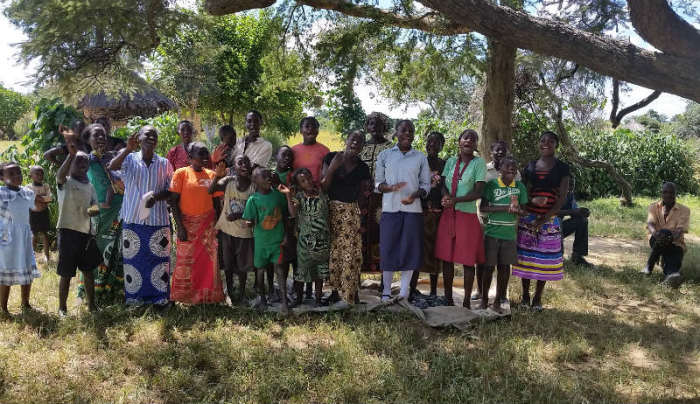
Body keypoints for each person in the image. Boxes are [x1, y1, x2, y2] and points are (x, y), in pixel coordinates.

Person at [108, 126, 173, 306]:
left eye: (154, 135)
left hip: (158, 221)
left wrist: (156, 196)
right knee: (134, 263)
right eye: (147, 134)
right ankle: (135, 299)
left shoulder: (164, 163)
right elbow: (112, 167)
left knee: (158, 263)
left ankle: (159, 299)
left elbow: (172, 190)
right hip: (133, 220)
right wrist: (128, 148)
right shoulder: (129, 159)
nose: (151, 137)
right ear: (139, 138)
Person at [512, 131, 570, 312]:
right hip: (528, 219)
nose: (546, 144)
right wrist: (530, 206)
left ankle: (537, 298)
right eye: (543, 140)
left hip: (549, 220)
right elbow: (523, 193)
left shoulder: (562, 168)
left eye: (551, 141)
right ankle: (525, 296)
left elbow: (561, 197)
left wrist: (544, 218)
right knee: (527, 259)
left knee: (543, 261)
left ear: (556, 145)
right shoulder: (530, 166)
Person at [375, 120, 431, 301]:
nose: (408, 133)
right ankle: (386, 291)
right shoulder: (385, 155)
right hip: (390, 209)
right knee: (388, 248)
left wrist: (416, 194)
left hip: (413, 211)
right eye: (404, 130)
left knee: (410, 249)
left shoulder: (420, 157)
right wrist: (389, 188)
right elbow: (377, 183)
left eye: (411, 130)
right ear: (396, 133)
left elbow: (426, 185)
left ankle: (404, 292)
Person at [435, 129, 487, 308]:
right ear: (459, 141)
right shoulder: (450, 161)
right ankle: (448, 298)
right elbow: (443, 184)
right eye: (466, 137)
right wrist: (445, 196)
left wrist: (455, 200)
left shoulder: (478, 163)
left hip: (467, 216)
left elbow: (478, 192)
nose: (469, 141)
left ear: (475, 145)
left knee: (467, 260)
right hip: (449, 215)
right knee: (447, 258)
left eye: (473, 139)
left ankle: (465, 301)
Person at [169, 142, 225, 304]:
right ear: (190, 157)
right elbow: (173, 202)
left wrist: (218, 225)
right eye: (200, 154)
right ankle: (185, 297)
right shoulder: (181, 174)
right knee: (185, 262)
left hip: (207, 227)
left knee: (208, 264)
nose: (204, 158)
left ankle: (208, 297)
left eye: (206, 154)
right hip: (187, 226)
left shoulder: (212, 174)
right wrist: (179, 227)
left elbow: (216, 203)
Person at [322, 130, 371, 304]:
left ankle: (351, 293)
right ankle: (335, 292)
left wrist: (360, 217)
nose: (355, 143)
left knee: (351, 252)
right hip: (332, 210)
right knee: (334, 252)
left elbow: (364, 194)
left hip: (352, 212)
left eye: (360, 141)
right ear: (346, 140)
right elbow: (324, 187)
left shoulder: (363, 167)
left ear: (363, 146)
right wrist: (333, 168)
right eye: (353, 139)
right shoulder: (331, 158)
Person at [77, 124, 125, 302]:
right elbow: (81, 188)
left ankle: (114, 289)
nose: (100, 138)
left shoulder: (113, 158)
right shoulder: (85, 161)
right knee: (97, 250)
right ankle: (93, 291)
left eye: (103, 135)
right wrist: (90, 211)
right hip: (99, 213)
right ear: (88, 140)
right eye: (96, 135)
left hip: (119, 210)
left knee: (117, 249)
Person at [473, 140, 522, 301]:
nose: (500, 153)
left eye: (503, 151)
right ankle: (480, 291)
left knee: (503, 262)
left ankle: (501, 295)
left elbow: (517, 195)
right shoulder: (483, 169)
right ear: (491, 151)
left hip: (505, 223)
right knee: (482, 260)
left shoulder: (515, 172)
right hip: (484, 222)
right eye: (497, 150)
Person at [479, 157, 528, 312]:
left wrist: (518, 211)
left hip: (509, 235)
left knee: (504, 268)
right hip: (492, 233)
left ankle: (498, 301)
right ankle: (484, 299)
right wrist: (504, 208)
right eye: (508, 167)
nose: (512, 169)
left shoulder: (520, 187)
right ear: (499, 170)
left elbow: (525, 211)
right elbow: (483, 208)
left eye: (514, 167)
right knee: (488, 268)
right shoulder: (491, 185)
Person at [56, 146, 100, 315]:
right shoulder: (65, 182)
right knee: (66, 273)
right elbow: (59, 175)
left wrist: (92, 210)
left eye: (85, 162)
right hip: (67, 233)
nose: (82, 163)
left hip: (85, 234)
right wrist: (70, 155)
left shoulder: (90, 186)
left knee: (88, 272)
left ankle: (92, 305)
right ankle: (62, 307)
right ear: (70, 164)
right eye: (78, 160)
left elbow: (95, 206)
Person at [242, 167, 290, 314]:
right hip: (261, 242)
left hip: (277, 241)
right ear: (255, 181)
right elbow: (248, 220)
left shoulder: (278, 196)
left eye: (269, 175)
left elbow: (286, 216)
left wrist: (286, 235)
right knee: (260, 271)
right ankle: (262, 298)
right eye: (264, 176)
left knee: (280, 270)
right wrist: (249, 223)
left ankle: (284, 301)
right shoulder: (253, 200)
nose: (269, 178)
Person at [279, 168, 330, 306]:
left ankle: (318, 299)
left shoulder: (322, 192)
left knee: (320, 271)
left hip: (323, 239)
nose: (307, 181)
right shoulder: (299, 197)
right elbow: (293, 213)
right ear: (299, 185)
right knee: (302, 270)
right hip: (305, 240)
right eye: (302, 181)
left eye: (308, 177)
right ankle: (299, 299)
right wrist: (289, 196)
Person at [209, 155, 255, 303]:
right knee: (228, 265)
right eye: (240, 163)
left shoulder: (254, 186)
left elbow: (256, 211)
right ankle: (229, 291)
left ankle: (241, 293)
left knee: (242, 266)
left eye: (246, 163)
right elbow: (211, 190)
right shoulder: (229, 181)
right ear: (234, 167)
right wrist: (217, 176)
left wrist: (239, 214)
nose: (244, 165)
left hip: (244, 233)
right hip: (227, 231)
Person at [409, 131, 446, 301]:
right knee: (417, 250)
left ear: (441, 146)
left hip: (438, 214)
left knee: (435, 251)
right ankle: (411, 288)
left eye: (436, 142)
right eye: (429, 142)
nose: (432, 145)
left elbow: (445, 187)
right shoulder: (418, 162)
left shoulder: (444, 164)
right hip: (419, 213)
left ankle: (433, 291)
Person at [0, 163, 40, 315]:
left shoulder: (27, 192)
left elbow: (35, 207)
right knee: (6, 272)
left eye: (19, 172)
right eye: (11, 174)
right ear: (2, 178)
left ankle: (25, 303)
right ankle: (3, 308)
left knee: (27, 268)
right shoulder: (1, 192)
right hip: (6, 238)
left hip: (24, 237)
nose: (17, 176)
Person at [359, 111, 394, 272]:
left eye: (378, 124)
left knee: (382, 235)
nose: (374, 127)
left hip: (383, 198)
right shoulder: (361, 145)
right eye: (371, 124)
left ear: (384, 127)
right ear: (367, 126)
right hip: (362, 198)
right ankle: (357, 274)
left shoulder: (391, 148)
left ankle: (383, 278)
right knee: (360, 233)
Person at [642, 182, 689, 288]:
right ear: (661, 194)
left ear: (675, 194)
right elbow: (650, 224)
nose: (668, 195)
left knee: (675, 257)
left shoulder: (685, 210)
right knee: (663, 233)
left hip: (676, 242)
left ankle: (670, 275)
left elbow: (679, 231)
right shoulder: (653, 207)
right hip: (655, 239)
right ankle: (651, 266)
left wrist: (667, 239)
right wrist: (656, 234)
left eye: (671, 192)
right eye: (665, 192)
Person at [558, 176, 592, 267]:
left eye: (573, 185)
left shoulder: (569, 195)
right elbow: (551, 213)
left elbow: (575, 211)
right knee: (557, 221)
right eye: (569, 184)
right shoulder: (554, 194)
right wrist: (573, 211)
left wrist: (582, 212)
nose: (571, 187)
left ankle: (577, 256)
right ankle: (556, 257)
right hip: (546, 227)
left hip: (559, 227)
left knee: (582, 220)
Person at [292, 117, 330, 184]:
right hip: (298, 191)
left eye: (314, 127)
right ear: (301, 130)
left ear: (318, 130)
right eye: (307, 126)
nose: (311, 129)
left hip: (318, 191)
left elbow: (327, 175)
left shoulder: (325, 150)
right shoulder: (293, 150)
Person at [27, 166, 52, 264]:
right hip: (33, 214)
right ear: (30, 176)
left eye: (41, 173)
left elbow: (49, 199)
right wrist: (42, 199)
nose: (40, 176)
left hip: (44, 213)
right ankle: (31, 255)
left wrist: (37, 198)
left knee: (45, 234)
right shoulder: (28, 187)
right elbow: (29, 198)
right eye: (37, 174)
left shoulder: (45, 186)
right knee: (34, 234)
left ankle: (46, 255)